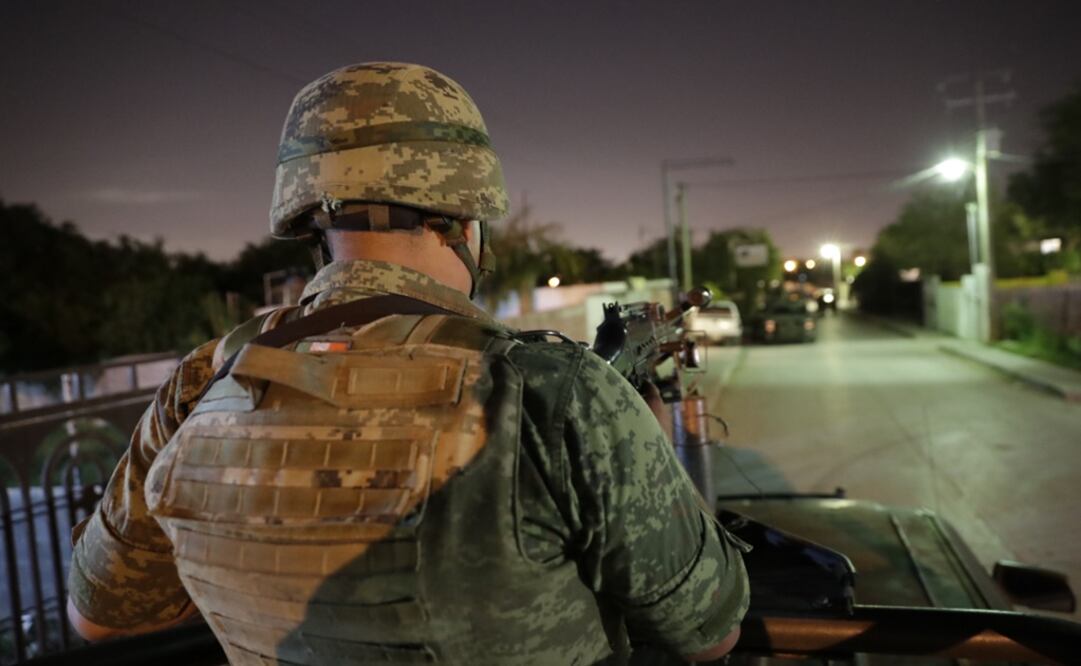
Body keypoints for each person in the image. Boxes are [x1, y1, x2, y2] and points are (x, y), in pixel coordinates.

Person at [66, 62, 749, 664]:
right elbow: (708, 629)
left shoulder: (205, 378)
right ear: (465, 215)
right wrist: (649, 446)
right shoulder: (553, 394)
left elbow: (99, 616)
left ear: (309, 219)